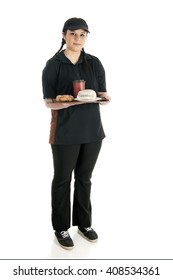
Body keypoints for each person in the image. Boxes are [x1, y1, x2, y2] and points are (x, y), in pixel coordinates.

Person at [42, 17, 111, 250]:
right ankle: (61, 228)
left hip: (92, 131)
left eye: (82, 34)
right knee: (62, 180)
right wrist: (67, 103)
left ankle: (84, 224)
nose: (78, 39)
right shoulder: (54, 65)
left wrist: (105, 98)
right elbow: (48, 103)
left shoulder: (94, 63)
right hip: (64, 132)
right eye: (73, 34)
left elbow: (100, 94)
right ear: (64, 35)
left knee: (84, 178)